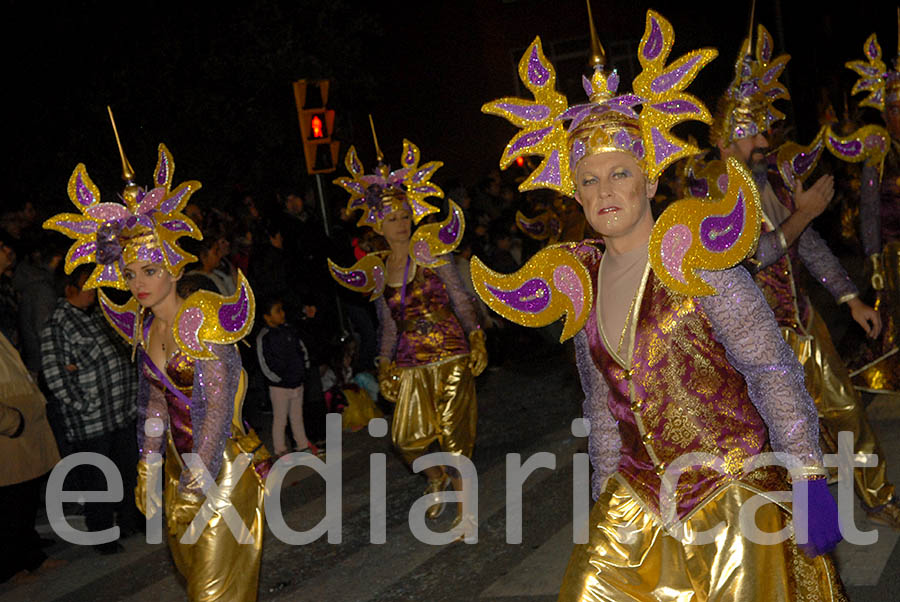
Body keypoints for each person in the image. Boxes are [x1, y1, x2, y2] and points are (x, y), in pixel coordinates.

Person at [478, 10, 846, 600]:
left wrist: (807, 480)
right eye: (588, 178)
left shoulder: (695, 257)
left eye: (619, 173)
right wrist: (605, 499)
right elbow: (602, 407)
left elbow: (771, 369)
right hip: (640, 499)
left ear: (649, 180)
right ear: (574, 189)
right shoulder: (582, 280)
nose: (604, 192)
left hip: (733, 490)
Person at [45, 137, 268, 600]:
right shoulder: (142, 328)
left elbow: (217, 409)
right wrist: (148, 461)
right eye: (129, 274)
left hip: (221, 466)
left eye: (148, 270)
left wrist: (196, 482)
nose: (138, 283)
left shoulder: (204, 320)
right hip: (176, 465)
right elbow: (153, 399)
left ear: (171, 264)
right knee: (197, 581)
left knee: (213, 589)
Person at [710, 24, 900, 528]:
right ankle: (807, 532)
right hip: (756, 338)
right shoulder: (714, 194)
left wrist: (850, 300)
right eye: (754, 130)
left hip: (805, 322)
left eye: (765, 128)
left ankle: (879, 498)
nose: (765, 139)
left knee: (848, 414)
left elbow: (806, 247)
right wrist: (805, 214)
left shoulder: (770, 179)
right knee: (782, 440)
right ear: (729, 135)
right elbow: (756, 256)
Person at [328, 134, 487, 532]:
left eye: (403, 215)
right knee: (406, 441)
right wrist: (383, 363)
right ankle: (436, 477)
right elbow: (386, 327)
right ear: (378, 225)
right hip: (410, 362)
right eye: (391, 218)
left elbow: (460, 297)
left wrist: (477, 336)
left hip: (450, 352)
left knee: (455, 439)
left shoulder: (432, 251)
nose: (399, 224)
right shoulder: (378, 270)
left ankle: (466, 517)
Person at [40, 263, 141, 553]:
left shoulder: (98, 314)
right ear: (70, 288)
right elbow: (55, 373)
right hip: (92, 419)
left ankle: (128, 520)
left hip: (120, 410)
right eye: (87, 286)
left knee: (127, 469)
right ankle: (101, 535)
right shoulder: (58, 324)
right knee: (98, 478)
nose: (94, 292)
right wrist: (84, 404)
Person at [844, 28, 900, 400]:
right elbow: (867, 214)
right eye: (895, 108)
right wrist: (874, 259)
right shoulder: (877, 156)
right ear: (884, 111)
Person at [0, 331, 63, 585]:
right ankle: (9, 567)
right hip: (10, 436)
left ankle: (31, 556)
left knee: (24, 500)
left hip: (24, 435)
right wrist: (10, 421)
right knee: (9, 506)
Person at [255, 296, 317, 455]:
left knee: (297, 416)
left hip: (297, 381)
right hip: (279, 386)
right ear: (267, 317)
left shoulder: (289, 329)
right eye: (277, 311)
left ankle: (302, 445)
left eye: (282, 310)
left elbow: (301, 349)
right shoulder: (265, 336)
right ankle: (280, 450)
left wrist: (304, 369)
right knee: (280, 419)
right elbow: (264, 362)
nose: (282, 314)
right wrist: (277, 379)